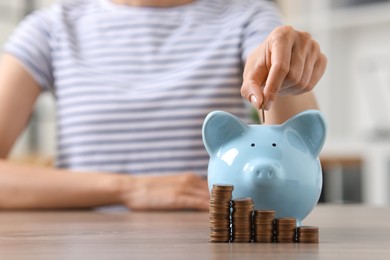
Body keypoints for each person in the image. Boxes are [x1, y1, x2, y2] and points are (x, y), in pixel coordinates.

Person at [0, 0, 326, 211]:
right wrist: (130, 189)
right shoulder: (50, 28)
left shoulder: (248, 15)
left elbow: (296, 148)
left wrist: (285, 68)